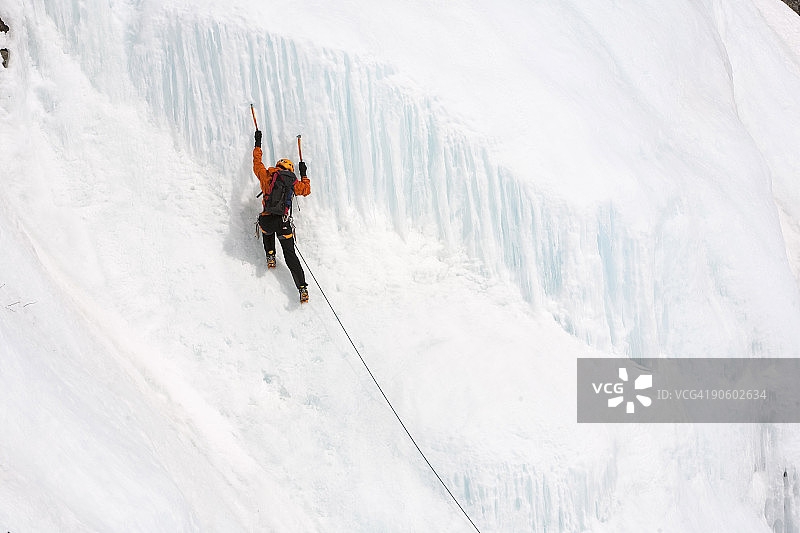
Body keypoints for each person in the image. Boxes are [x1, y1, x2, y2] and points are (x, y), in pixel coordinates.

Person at [253, 129, 312, 303]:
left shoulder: (268, 176)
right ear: (290, 169)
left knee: (266, 230)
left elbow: (257, 164)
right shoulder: (293, 182)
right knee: (290, 254)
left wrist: (258, 143)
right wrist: (304, 174)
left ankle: (270, 255)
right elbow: (306, 190)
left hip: (267, 220)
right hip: (283, 224)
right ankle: (302, 288)